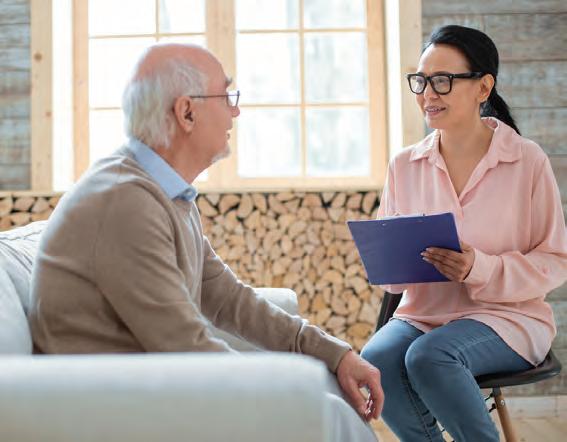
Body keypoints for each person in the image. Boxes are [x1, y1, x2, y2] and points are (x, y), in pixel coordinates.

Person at [30, 43, 382, 442]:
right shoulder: (125, 201)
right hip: (112, 407)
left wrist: (335, 353)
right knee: (325, 410)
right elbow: (185, 346)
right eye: (226, 95)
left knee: (329, 385)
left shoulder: (164, 192)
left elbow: (228, 298)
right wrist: (287, 386)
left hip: (150, 387)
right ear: (187, 112)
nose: (236, 111)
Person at [361, 25, 567, 442]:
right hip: (423, 315)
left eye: (442, 81)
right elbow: (392, 283)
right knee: (376, 359)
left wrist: (479, 268)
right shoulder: (404, 165)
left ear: (483, 87)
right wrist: (389, 262)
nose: (427, 94)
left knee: (430, 357)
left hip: (508, 318)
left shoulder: (526, 160)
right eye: (421, 81)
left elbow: (554, 261)